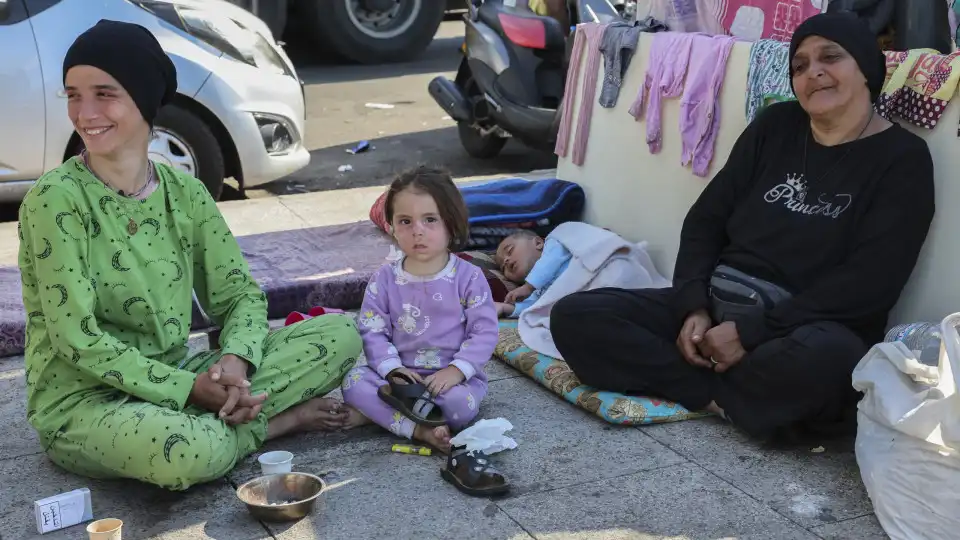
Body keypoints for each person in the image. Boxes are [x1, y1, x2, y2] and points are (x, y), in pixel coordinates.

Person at [549, 12, 936, 441]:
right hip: (719, 303)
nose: (814, 73)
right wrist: (692, 307)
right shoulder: (776, 126)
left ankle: (709, 387)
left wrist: (751, 334)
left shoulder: (903, 159)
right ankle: (724, 396)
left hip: (797, 327)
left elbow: (870, 283)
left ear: (865, 68)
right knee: (575, 316)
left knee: (830, 358)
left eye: (831, 57)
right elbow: (706, 220)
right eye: (800, 66)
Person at [17, 20, 362, 491]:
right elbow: (77, 339)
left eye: (104, 93)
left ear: (144, 97)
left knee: (340, 334)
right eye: (73, 95)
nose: (85, 112)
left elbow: (240, 295)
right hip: (88, 404)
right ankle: (271, 424)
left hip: (184, 377)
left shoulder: (184, 191)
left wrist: (237, 362)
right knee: (188, 453)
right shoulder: (55, 199)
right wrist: (192, 390)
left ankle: (228, 415)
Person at [341, 166, 499, 453]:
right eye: (405, 221)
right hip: (399, 381)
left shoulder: (469, 277)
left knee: (459, 408)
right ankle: (420, 429)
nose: (417, 231)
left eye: (430, 220)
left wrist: (456, 371)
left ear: (451, 223)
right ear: (390, 226)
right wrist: (392, 370)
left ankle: (385, 416)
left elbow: (485, 332)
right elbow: (372, 330)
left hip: (450, 383)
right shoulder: (383, 279)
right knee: (353, 383)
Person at [494, 229, 571, 318]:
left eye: (510, 250)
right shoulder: (535, 290)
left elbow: (549, 262)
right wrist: (504, 307)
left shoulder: (555, 244)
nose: (505, 261)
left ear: (538, 243)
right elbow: (533, 308)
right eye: (503, 268)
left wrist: (529, 286)